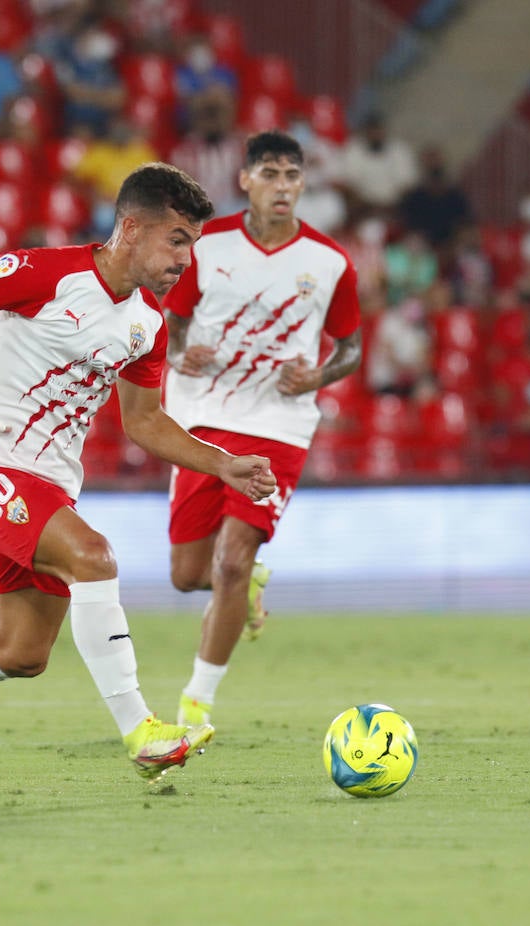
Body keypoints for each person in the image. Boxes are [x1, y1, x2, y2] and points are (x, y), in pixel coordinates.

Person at [0, 163, 278, 783]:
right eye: (177, 239)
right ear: (131, 227)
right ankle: (141, 731)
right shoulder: (47, 273)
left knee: (20, 654)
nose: (187, 257)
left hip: (50, 489)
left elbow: (145, 422)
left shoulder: (147, 325)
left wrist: (226, 465)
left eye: (194, 244)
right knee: (95, 557)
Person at [161, 131, 362, 729]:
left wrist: (319, 376)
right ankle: (247, 586)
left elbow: (351, 348)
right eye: (270, 173)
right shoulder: (207, 245)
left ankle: (196, 706)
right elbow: (171, 321)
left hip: (279, 423)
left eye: (292, 176)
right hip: (203, 417)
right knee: (187, 575)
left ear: (303, 185)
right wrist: (178, 354)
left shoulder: (329, 263)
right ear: (244, 179)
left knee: (231, 560)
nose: (282, 186)